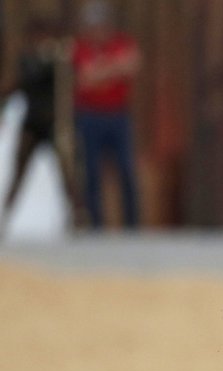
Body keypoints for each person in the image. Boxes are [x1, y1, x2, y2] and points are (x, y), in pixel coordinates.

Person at [0, 18, 75, 230]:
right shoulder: (27, 60)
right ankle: (5, 216)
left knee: (67, 174)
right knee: (19, 173)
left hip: (54, 123)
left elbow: (66, 82)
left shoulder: (58, 60)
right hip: (33, 124)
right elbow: (26, 81)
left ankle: (76, 218)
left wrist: (59, 59)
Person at [72, 0, 141, 229]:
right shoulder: (81, 48)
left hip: (118, 116)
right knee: (91, 171)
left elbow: (131, 66)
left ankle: (132, 225)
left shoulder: (122, 42)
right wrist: (113, 68)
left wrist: (101, 71)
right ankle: (96, 226)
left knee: (126, 169)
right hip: (90, 116)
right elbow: (85, 79)